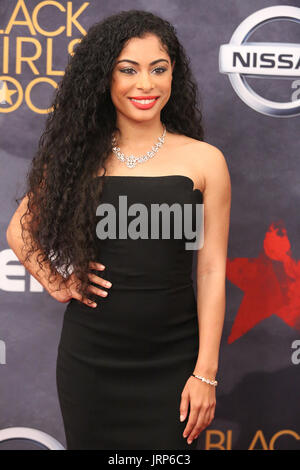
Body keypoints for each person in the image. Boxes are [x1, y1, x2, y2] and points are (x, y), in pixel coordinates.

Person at [6, 9, 231, 450]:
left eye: (158, 69)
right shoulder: (79, 157)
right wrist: (56, 280)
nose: (145, 84)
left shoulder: (205, 161)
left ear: (173, 76)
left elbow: (210, 272)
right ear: (104, 79)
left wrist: (205, 372)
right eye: (128, 70)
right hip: (91, 361)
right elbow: (20, 230)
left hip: (174, 360)